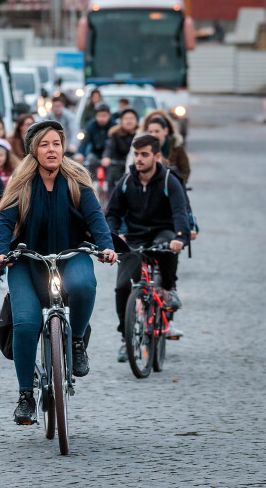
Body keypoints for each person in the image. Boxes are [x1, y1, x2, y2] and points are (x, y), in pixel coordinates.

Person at [0, 121, 116, 425]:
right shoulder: (21, 184)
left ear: (63, 147)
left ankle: (76, 342)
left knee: (84, 285)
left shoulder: (77, 180)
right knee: (25, 323)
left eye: (56, 143)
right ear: (34, 150)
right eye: (45, 144)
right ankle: (25, 396)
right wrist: (0, 253)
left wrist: (106, 247)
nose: (51, 149)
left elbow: (96, 217)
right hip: (27, 260)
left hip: (70, 254)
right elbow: (5, 223)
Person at [105, 134, 190, 362]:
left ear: (157, 156)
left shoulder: (168, 180)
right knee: (123, 287)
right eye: (136, 154)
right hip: (134, 236)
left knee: (169, 246)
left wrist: (180, 237)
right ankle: (126, 337)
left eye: (144, 154)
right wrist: (114, 235)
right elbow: (112, 213)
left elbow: (180, 211)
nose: (139, 159)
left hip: (162, 232)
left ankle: (169, 289)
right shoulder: (125, 181)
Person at [146, 116, 191, 183]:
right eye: (151, 132)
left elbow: (185, 169)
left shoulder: (176, 146)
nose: (153, 134)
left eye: (157, 131)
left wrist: (179, 183)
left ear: (165, 131)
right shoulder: (146, 147)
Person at [102, 108, 139, 188]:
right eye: (126, 119)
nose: (129, 121)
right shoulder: (115, 134)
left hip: (135, 164)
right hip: (118, 165)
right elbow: (110, 146)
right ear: (121, 121)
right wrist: (106, 157)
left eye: (132, 118)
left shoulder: (140, 134)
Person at [76, 103, 115, 167]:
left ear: (109, 115)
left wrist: (107, 156)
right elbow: (85, 141)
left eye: (104, 116)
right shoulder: (91, 125)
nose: (101, 119)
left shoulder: (114, 126)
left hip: (111, 157)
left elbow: (113, 143)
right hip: (95, 154)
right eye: (99, 116)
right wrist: (80, 153)